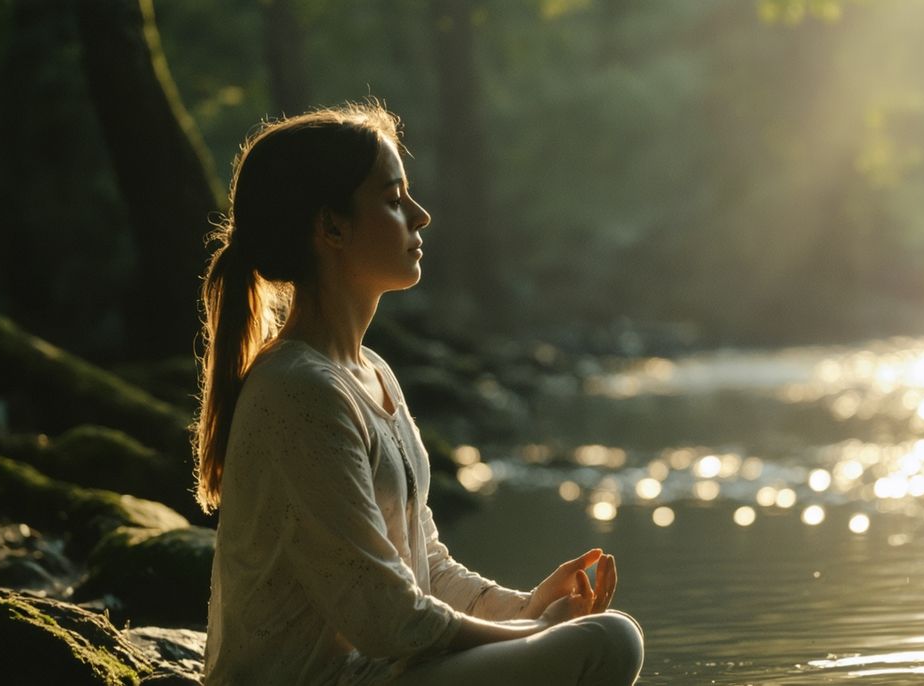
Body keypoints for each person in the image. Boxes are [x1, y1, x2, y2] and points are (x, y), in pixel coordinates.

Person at [191, 101, 644, 685]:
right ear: (331, 226)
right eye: (393, 198)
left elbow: (423, 565)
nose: (421, 215)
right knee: (607, 642)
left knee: (605, 636)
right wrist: (538, 634)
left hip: (383, 672)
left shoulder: (372, 372)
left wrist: (527, 606)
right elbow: (386, 618)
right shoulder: (298, 392)